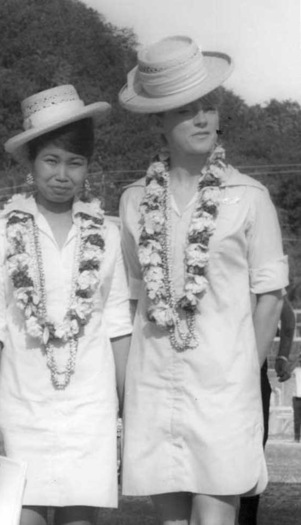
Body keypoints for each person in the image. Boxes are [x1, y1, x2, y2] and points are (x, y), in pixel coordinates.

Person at [118, 36, 287, 525]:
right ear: (159, 120)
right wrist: (128, 388)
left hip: (224, 386)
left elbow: (270, 296)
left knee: (215, 517)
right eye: (186, 110)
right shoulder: (134, 202)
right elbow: (132, 295)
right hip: (153, 383)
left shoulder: (248, 198)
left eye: (208, 106)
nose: (203, 118)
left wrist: (241, 375)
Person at [0, 85, 131, 525]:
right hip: (19, 409)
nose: (63, 174)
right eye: (52, 160)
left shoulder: (108, 235)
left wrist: (130, 413)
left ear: (87, 168)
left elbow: (118, 329)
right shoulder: (0, 234)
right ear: (31, 163)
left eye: (75, 163)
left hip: (89, 412)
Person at [239, 294, 296, 525]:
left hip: (254, 375)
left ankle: (246, 518)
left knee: (253, 450)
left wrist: (282, 355)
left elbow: (289, 318)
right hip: (214, 374)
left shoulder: (262, 283)